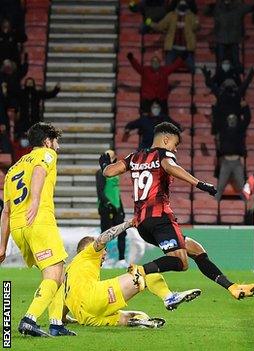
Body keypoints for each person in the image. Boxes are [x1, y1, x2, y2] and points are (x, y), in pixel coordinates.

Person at [99, 122, 254, 300]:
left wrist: (105, 164)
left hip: (143, 225)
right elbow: (170, 166)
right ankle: (140, 270)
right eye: (175, 145)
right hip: (160, 217)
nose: (175, 150)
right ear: (166, 139)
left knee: (196, 249)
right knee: (181, 262)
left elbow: (108, 172)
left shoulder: (133, 157)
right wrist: (200, 184)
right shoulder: (164, 154)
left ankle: (233, 287)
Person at [0, 122, 75, 337]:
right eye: (56, 141)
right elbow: (40, 171)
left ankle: (56, 324)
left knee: (58, 269)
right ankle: (29, 319)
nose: (57, 147)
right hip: (39, 221)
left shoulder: (13, 169)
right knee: (53, 273)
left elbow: (5, 210)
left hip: (17, 227)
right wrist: (34, 201)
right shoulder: (46, 154)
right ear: (46, 141)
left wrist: (2, 246)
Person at [64, 220, 201, 328]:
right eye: (102, 250)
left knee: (139, 315)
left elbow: (63, 305)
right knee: (143, 273)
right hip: (95, 297)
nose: (105, 253)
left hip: (87, 317)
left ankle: (140, 323)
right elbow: (102, 239)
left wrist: (67, 319)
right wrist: (128, 224)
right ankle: (169, 297)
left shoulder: (69, 272)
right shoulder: (87, 254)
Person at [215, 101, 253, 201]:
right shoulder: (223, 129)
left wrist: (245, 107)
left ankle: (249, 212)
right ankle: (213, 209)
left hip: (237, 162)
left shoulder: (240, 130)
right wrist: (216, 106)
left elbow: (247, 119)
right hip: (225, 162)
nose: (232, 121)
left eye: (234, 119)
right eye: (230, 119)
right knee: (219, 188)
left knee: (242, 188)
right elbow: (216, 119)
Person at [146, 0, 199, 71]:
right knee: (167, 69)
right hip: (173, 49)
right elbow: (160, 26)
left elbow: (197, 26)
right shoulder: (171, 16)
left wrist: (194, 20)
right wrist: (150, 23)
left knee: (192, 69)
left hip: (187, 49)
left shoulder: (191, 16)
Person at [96, 150, 127, 266]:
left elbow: (116, 192)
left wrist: (121, 207)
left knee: (122, 232)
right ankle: (104, 260)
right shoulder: (100, 173)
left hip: (117, 207)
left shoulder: (115, 173)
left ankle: (121, 259)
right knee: (105, 234)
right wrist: (108, 204)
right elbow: (100, 191)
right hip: (106, 207)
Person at [213, 0, 254, 68]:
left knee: (235, 60)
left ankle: (236, 74)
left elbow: (250, 8)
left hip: (233, 38)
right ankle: (220, 74)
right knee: (221, 60)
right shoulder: (218, 7)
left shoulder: (238, 6)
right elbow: (207, 12)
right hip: (222, 38)